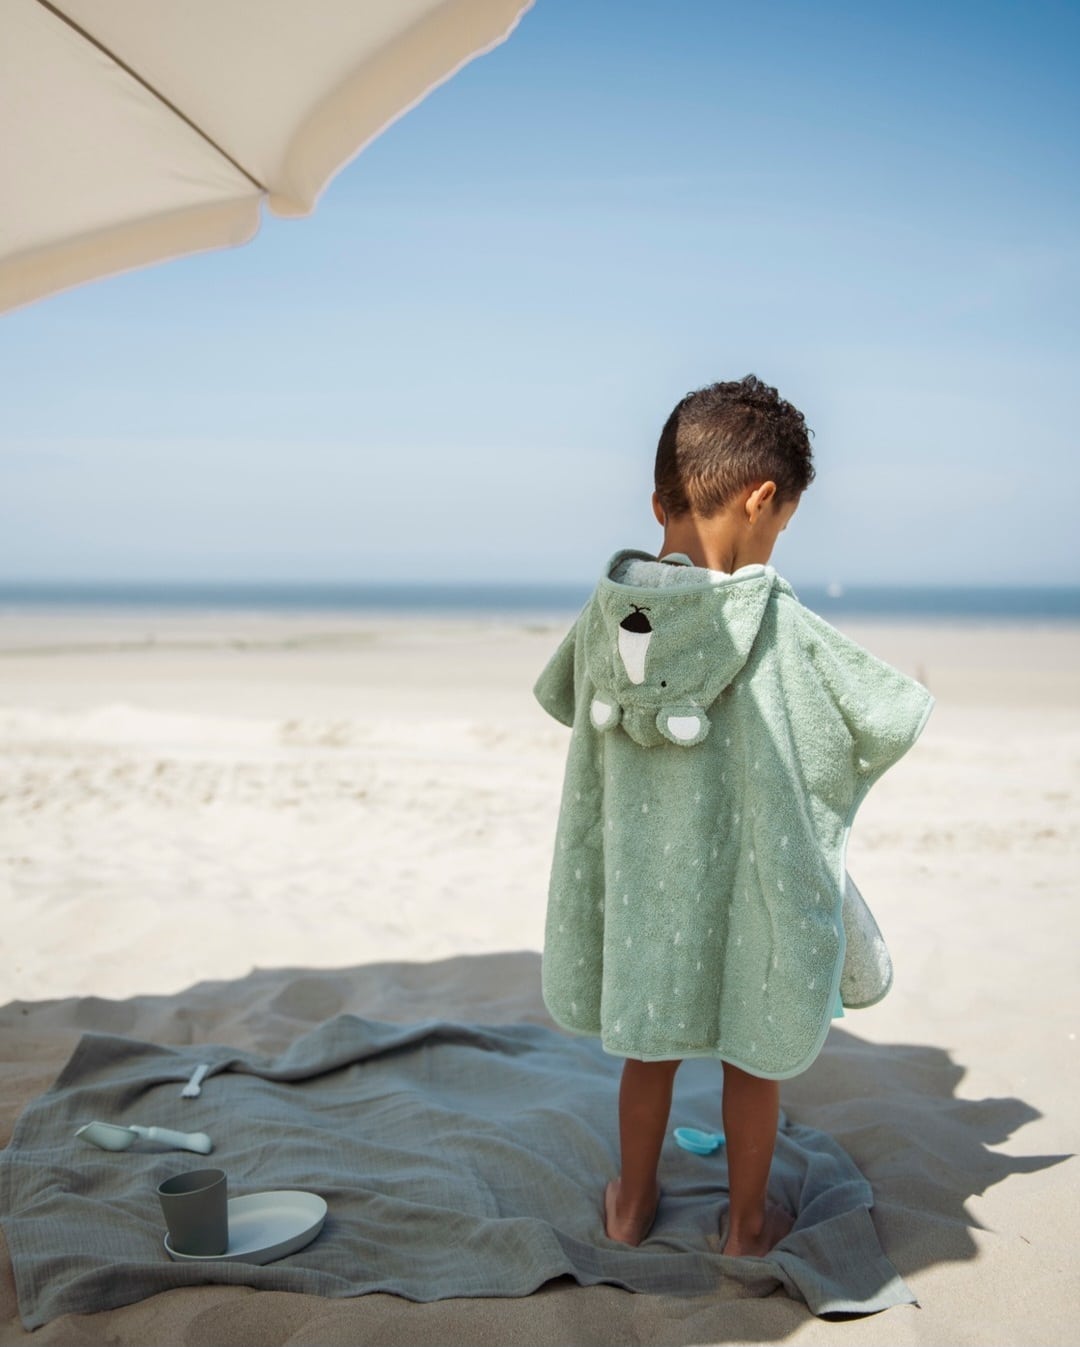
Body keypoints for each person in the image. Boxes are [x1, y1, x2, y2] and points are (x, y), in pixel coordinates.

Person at [533, 375, 933, 1258]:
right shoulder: (775, 621)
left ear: (658, 500)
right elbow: (882, 716)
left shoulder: (608, 615)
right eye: (782, 522)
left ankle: (632, 1205)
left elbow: (561, 696)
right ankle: (746, 1226)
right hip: (744, 884)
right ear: (761, 499)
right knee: (754, 1053)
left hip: (641, 890)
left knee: (650, 1050)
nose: (774, 543)